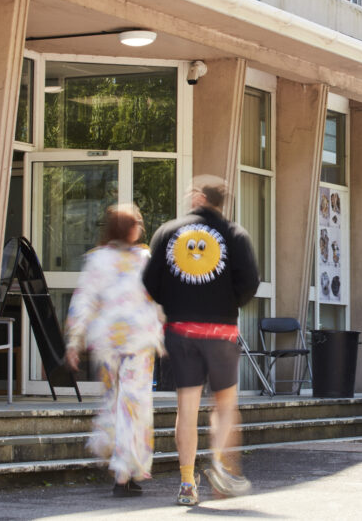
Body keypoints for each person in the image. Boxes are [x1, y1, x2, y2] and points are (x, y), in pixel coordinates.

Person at [142, 175, 260, 506]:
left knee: (187, 406)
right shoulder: (236, 235)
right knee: (224, 405)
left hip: (181, 331)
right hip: (221, 332)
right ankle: (219, 464)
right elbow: (250, 282)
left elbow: (150, 282)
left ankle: (185, 482)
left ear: (199, 197)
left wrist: (175, 303)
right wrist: (226, 303)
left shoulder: (167, 232)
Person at [64, 204, 163, 497]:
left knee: (114, 403)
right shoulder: (144, 258)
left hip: (107, 345)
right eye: (138, 223)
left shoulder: (97, 260)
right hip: (138, 345)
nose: (141, 228)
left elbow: (84, 300)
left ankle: (114, 456)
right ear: (130, 229)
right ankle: (124, 474)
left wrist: (74, 341)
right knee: (134, 408)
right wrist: (162, 334)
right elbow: (156, 301)